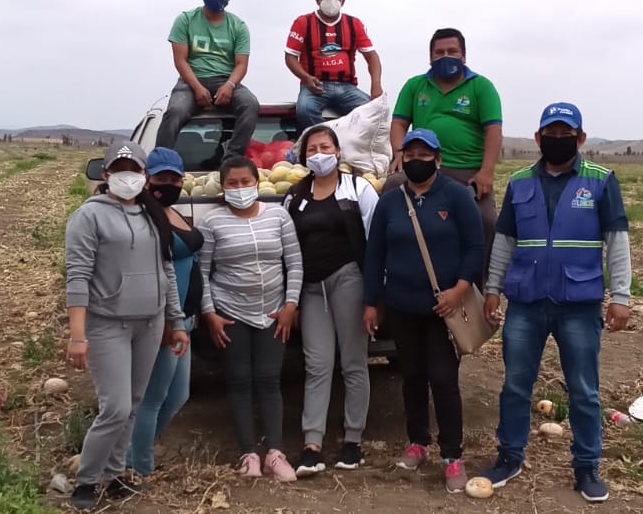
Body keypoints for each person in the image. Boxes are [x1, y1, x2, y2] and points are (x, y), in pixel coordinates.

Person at [476, 103, 632, 503]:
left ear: (580, 138)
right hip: (526, 301)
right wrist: (492, 287)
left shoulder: (600, 180)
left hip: (578, 303)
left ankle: (586, 466)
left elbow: (616, 241)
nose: (558, 140)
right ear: (538, 137)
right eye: (551, 133)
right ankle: (509, 457)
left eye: (566, 134)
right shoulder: (520, 182)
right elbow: (504, 241)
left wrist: (621, 296)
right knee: (515, 385)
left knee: (583, 390)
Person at [64, 143, 190, 510]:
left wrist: (176, 321)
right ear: (106, 174)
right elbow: (78, 277)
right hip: (108, 324)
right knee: (115, 407)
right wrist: (78, 335)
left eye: (134, 168)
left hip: (149, 323)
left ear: (144, 175)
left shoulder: (152, 214)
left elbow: (166, 270)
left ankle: (115, 474)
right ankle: (86, 479)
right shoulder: (89, 216)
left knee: (133, 404)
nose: (127, 176)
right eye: (119, 169)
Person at [362, 129, 484, 494]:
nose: (417, 160)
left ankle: (452, 456)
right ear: (402, 159)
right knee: (412, 376)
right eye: (410, 154)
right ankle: (417, 442)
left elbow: (475, 247)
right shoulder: (390, 201)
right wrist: (371, 303)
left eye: (424, 154)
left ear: (438, 159)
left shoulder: (456, 196)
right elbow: (375, 254)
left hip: (443, 309)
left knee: (443, 379)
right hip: (401, 306)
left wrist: (459, 290)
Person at [198, 157, 304, 482]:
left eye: (246, 182)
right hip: (231, 312)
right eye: (233, 183)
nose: (240, 188)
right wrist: (210, 314)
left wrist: (290, 305)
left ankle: (275, 453)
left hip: (273, 312)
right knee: (239, 380)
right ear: (223, 187)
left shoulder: (278, 215)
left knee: (270, 379)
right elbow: (203, 272)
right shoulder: (212, 221)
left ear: (257, 182)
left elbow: (294, 262)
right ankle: (248, 453)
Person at [282, 125, 379, 476]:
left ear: (338, 152)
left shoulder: (358, 188)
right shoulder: (295, 195)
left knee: (353, 362)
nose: (319, 154)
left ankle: (352, 441)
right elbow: (287, 248)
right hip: (310, 288)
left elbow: (376, 242)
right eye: (312, 149)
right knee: (317, 365)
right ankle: (312, 444)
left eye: (325, 147)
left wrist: (373, 298)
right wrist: (290, 299)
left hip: (348, 280)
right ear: (303, 156)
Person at [387, 28, 502, 278]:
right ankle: (389, 271)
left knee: (486, 220)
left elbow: (493, 130)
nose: (445, 56)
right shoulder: (415, 86)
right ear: (430, 57)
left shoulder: (481, 86)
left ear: (463, 56)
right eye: (439, 52)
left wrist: (486, 172)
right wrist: (398, 152)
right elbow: (398, 123)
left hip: (468, 171)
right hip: (423, 165)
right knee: (390, 189)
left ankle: (478, 283)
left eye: (452, 51)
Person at [127, 148, 204, 480]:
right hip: (165, 321)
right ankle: (138, 468)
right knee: (153, 399)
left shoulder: (172, 211)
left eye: (175, 178)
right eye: (161, 178)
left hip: (184, 319)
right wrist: (166, 322)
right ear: (147, 179)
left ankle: (129, 454)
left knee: (178, 395)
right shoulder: (145, 216)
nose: (168, 184)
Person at [155, 0, 259, 162]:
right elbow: (180, 60)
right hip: (190, 82)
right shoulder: (185, 20)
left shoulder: (239, 26)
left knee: (250, 104)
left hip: (226, 81)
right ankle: (162, 164)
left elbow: (241, 64)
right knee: (175, 111)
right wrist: (197, 87)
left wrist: (230, 86)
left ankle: (231, 161)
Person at [285, 0, 383, 130]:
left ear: (343, 0)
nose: (331, 0)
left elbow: (372, 56)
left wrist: (376, 85)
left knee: (374, 112)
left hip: (347, 87)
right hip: (314, 87)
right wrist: (306, 77)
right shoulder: (303, 22)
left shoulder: (354, 24)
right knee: (304, 110)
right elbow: (290, 56)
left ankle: (346, 140)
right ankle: (323, 139)